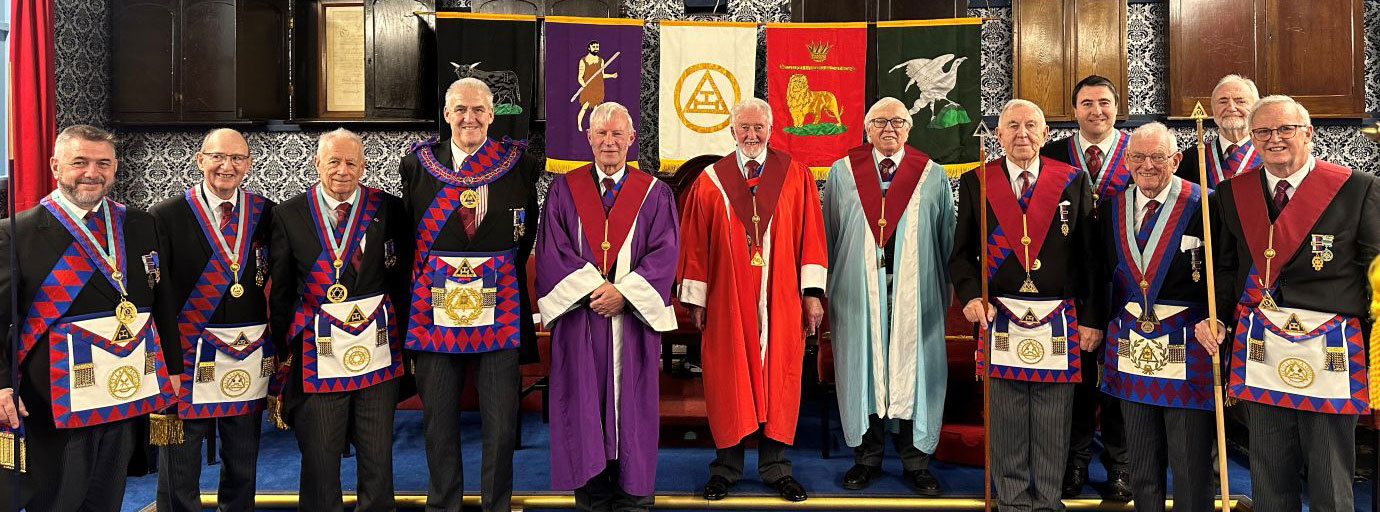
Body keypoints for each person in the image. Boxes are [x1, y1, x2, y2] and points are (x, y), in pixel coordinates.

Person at [1195, 95, 1380, 512]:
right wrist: (1219, 318)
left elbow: (1376, 272)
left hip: (1330, 353)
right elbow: (1227, 269)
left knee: (1331, 479)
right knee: (1269, 476)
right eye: (1262, 132)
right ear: (1252, 139)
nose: (1274, 139)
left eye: (1285, 130)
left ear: (1309, 133)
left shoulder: (1357, 188)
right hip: (1262, 350)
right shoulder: (1231, 193)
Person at [0, 124, 173, 510]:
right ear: (55, 166)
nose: (92, 172)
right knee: (60, 500)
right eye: (80, 162)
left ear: (114, 169)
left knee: (106, 499)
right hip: (54, 401)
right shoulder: (17, 233)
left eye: (103, 163)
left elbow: (161, 301)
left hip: (122, 392)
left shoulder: (140, 224)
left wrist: (172, 367)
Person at [395, 77, 541, 512]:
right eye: (460, 109)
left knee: (500, 424)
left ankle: (496, 505)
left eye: (478, 110)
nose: (469, 118)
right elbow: (408, 236)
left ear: (492, 115)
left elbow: (526, 233)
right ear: (446, 114)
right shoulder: (418, 164)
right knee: (438, 420)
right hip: (434, 310)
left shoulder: (520, 163)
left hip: (500, 309)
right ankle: (443, 504)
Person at [949, 99, 1097, 510]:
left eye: (1031, 126)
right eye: (1012, 126)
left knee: (1053, 420)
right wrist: (971, 296)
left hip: (1060, 319)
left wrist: (1091, 318)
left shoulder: (1071, 180)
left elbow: (1089, 258)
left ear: (1046, 133)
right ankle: (1012, 500)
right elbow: (961, 255)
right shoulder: (979, 181)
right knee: (1007, 418)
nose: (1022, 134)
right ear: (998, 135)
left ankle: (1048, 501)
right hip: (1001, 317)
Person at [678, 97, 827, 503]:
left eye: (759, 128)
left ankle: (776, 468)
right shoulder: (710, 181)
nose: (752, 135)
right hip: (727, 299)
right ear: (731, 131)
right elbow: (693, 244)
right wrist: (696, 297)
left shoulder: (795, 175)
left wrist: (812, 294)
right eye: (744, 127)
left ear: (771, 131)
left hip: (780, 298)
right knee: (729, 377)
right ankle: (725, 468)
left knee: (778, 377)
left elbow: (812, 235)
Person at [535, 101, 679, 512]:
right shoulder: (564, 190)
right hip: (583, 321)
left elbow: (666, 253)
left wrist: (624, 294)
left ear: (632, 139)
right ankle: (593, 495)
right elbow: (552, 253)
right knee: (583, 405)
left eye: (618, 134)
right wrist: (596, 292)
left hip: (631, 324)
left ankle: (634, 496)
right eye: (602, 133)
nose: (610, 142)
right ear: (589, 138)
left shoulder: (654, 193)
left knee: (632, 407)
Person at [268, 128, 410, 512]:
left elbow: (401, 281)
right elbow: (281, 291)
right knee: (319, 457)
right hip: (318, 353)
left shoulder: (389, 209)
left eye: (351, 162)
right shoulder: (288, 214)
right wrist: (282, 351)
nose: (342, 170)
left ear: (364, 166)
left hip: (377, 351)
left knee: (377, 455)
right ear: (317, 163)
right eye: (333, 161)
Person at [822, 97, 953, 496]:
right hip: (858, 292)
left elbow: (945, 235)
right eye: (879, 122)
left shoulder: (931, 175)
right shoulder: (843, 173)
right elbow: (830, 233)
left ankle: (916, 462)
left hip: (916, 291)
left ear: (910, 128)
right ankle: (867, 458)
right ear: (866, 130)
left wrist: (941, 289)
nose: (889, 128)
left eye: (898, 121)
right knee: (864, 369)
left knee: (916, 371)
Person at [1092, 123, 1215, 512]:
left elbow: (1225, 272)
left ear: (1176, 160)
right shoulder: (1112, 207)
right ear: (1126, 161)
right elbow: (1100, 273)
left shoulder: (1205, 204)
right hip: (1132, 340)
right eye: (1138, 157)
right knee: (1141, 455)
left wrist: (1219, 318)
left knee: (1189, 458)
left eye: (1158, 157)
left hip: (1187, 344)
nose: (1147, 165)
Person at [151, 128, 275, 511]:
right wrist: (166, 361)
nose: (227, 166)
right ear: (200, 159)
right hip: (188, 354)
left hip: (246, 353)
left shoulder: (265, 212)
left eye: (238, 158)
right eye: (218, 156)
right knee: (180, 464)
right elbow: (158, 294)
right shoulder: (166, 215)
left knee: (243, 460)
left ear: (249, 164)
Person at [1038, 74, 1132, 500]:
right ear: (1074, 109)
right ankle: (1073, 463)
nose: (1097, 111)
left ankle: (1120, 466)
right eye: (1087, 103)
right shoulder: (1054, 154)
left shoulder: (1141, 153)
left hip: (1129, 282)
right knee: (1074, 378)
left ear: (1118, 107)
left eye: (1105, 103)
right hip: (1070, 283)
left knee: (1118, 379)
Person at [1174, 75, 1263, 189]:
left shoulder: (1269, 155)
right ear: (1213, 110)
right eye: (1223, 102)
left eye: (1240, 101)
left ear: (1255, 109)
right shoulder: (1190, 159)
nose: (1231, 108)